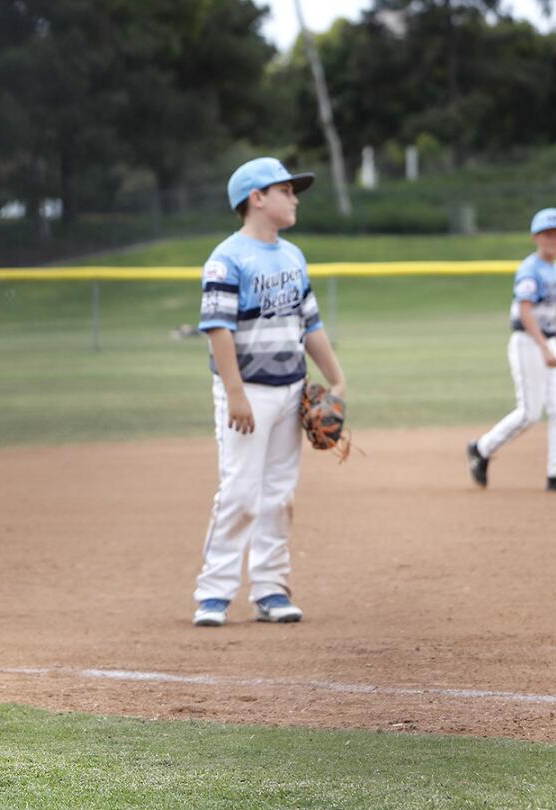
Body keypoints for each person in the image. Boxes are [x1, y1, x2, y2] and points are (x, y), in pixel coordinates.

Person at [191, 158, 348, 628]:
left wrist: (337, 379)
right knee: (240, 491)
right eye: (286, 190)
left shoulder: (293, 256)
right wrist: (235, 392)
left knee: (279, 494)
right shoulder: (228, 257)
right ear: (256, 198)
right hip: (248, 394)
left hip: (290, 389)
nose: (295, 198)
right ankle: (214, 593)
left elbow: (311, 324)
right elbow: (218, 329)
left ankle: (271, 589)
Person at [467, 208, 556, 493]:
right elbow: (525, 312)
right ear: (536, 237)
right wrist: (543, 347)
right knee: (530, 413)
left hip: (546, 342)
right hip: (528, 342)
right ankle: (481, 448)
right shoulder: (530, 269)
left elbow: (548, 318)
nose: (555, 239)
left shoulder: (555, 270)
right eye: (549, 234)